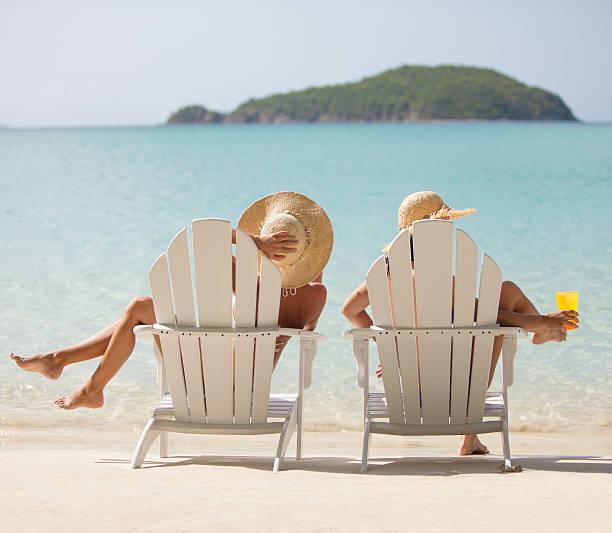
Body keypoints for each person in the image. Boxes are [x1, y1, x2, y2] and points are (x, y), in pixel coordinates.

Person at [10, 191, 333, 411]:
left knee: (139, 308)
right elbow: (307, 311)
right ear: (310, 253)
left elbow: (206, 237)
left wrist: (257, 244)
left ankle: (84, 381)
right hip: (247, 391)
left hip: (201, 376)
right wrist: (311, 262)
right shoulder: (317, 296)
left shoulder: (248, 280)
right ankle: (61, 362)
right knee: (140, 311)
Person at [341, 191, 578, 456]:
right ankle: (546, 331)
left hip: (408, 389)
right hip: (459, 392)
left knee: (507, 292)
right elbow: (492, 316)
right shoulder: (445, 280)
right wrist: (543, 319)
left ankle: (472, 439)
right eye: (445, 226)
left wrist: (391, 347)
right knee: (497, 313)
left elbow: (349, 310)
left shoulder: (381, 277)